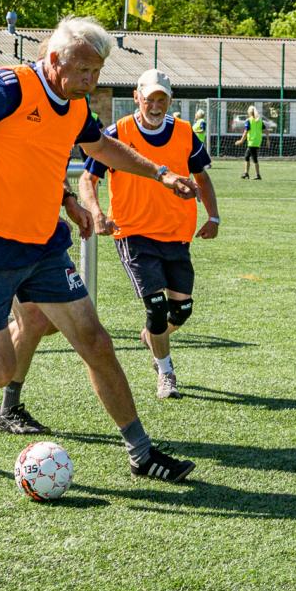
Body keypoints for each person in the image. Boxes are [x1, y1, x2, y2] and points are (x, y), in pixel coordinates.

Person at [0, 16, 201, 482]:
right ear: (53, 59)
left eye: (98, 72)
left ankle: (142, 454)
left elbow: (99, 148)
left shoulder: (75, 106)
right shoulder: (5, 88)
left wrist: (159, 175)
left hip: (44, 247)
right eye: (83, 70)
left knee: (96, 342)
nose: (91, 80)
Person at [81, 68, 219, 399]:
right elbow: (88, 179)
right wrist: (96, 212)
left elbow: (201, 177)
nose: (155, 106)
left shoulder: (185, 133)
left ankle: (151, 337)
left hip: (176, 234)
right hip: (134, 233)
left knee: (180, 311)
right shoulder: (116, 133)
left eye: (162, 99)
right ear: (136, 98)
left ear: (169, 101)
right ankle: (166, 372)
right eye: (149, 99)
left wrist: (214, 216)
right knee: (156, 308)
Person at [238, 105, 262, 180]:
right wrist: (267, 139)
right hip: (257, 142)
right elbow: (266, 130)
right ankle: (246, 173)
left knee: (254, 159)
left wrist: (241, 140)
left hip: (252, 142)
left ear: (249, 112)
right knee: (247, 156)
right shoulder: (259, 120)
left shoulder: (249, 120)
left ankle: (258, 175)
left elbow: (246, 131)